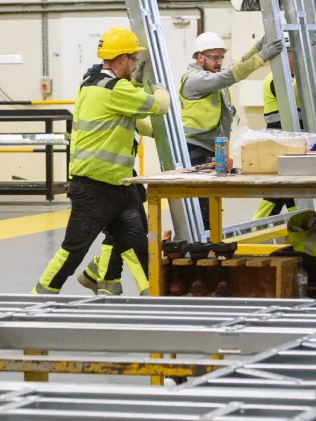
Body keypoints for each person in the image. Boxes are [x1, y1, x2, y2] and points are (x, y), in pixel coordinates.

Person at [33, 27, 170, 295]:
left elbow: (127, 121)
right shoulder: (113, 89)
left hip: (118, 183)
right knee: (75, 248)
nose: (134, 64)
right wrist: (159, 85)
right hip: (94, 189)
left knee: (135, 243)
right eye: (133, 59)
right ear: (121, 60)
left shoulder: (93, 84)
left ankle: (153, 294)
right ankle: (39, 298)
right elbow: (160, 105)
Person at [180, 31, 283, 225]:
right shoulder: (195, 79)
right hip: (195, 148)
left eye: (221, 57)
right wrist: (262, 57)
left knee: (212, 200)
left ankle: (210, 242)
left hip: (212, 148)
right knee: (203, 205)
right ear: (200, 57)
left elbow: (237, 64)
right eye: (214, 57)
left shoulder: (212, 75)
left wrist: (258, 47)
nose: (219, 61)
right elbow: (232, 74)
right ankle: (202, 245)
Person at [253, 48, 299, 219]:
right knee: (279, 194)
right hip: (280, 149)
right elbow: (293, 93)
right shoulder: (275, 79)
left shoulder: (291, 79)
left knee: (288, 195)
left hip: (292, 148)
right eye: (292, 51)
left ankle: (303, 234)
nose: (295, 55)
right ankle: (253, 234)